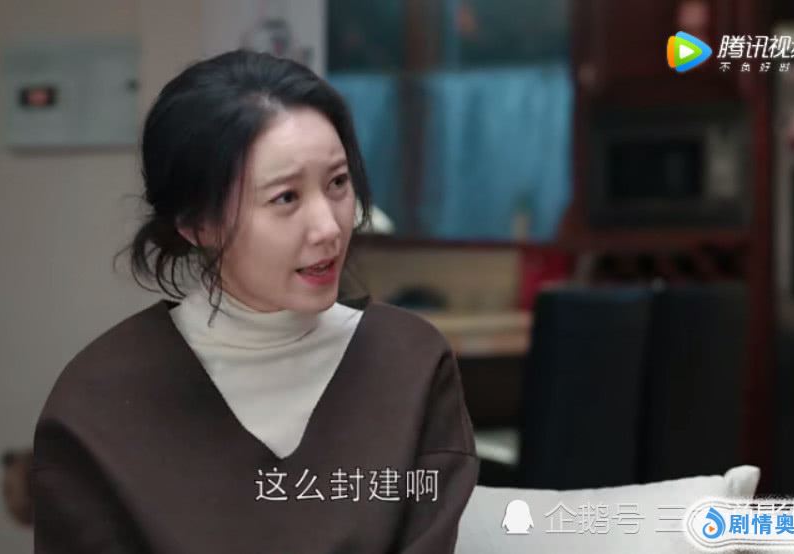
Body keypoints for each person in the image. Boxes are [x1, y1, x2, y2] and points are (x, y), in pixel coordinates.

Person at [31, 49, 478, 553]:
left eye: (337, 183)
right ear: (197, 223)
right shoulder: (98, 401)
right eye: (286, 197)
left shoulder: (410, 365)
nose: (329, 227)